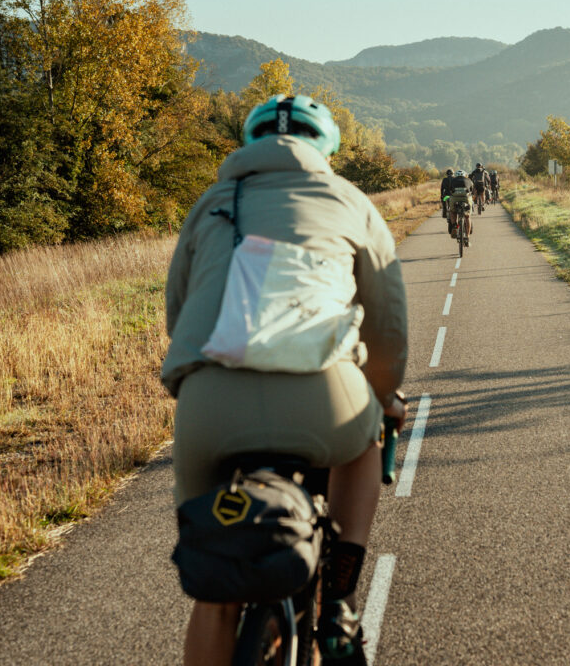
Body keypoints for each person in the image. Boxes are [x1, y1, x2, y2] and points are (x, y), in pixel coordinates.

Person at [162, 94, 409, 666]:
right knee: (360, 449)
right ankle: (341, 604)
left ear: (247, 144)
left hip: (209, 405)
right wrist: (384, 396)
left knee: (215, 585)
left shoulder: (211, 202)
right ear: (325, 147)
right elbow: (387, 322)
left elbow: (179, 312)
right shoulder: (351, 202)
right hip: (323, 396)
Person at [443, 171, 475, 241]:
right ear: (465, 175)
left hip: (455, 198)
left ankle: (454, 225)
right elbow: (472, 191)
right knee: (467, 216)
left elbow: (450, 190)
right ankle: (467, 235)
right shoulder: (469, 180)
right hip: (466, 197)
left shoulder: (453, 180)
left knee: (452, 211)